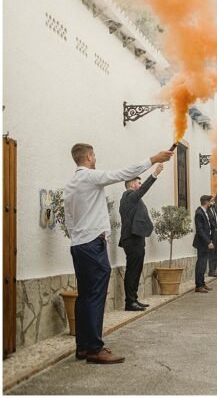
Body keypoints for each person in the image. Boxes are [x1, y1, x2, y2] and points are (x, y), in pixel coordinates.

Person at [65, 143, 172, 364]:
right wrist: (152, 159)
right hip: (92, 245)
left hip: (78, 245)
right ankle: (95, 348)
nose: (96, 158)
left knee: (85, 295)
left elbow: (68, 219)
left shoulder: (71, 184)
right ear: (89, 156)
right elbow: (123, 173)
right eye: (94, 155)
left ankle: (83, 347)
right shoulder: (89, 176)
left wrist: (80, 235)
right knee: (95, 296)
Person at [118, 163, 163, 312]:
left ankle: (134, 300)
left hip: (136, 238)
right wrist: (154, 174)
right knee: (133, 270)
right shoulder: (129, 195)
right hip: (132, 239)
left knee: (136, 270)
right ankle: (130, 302)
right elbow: (143, 190)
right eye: (138, 182)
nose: (140, 184)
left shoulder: (131, 198)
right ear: (131, 184)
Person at [192, 195, 216, 293]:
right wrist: (208, 242)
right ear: (206, 202)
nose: (212, 203)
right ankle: (198, 286)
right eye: (211, 201)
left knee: (203, 264)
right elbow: (200, 230)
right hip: (202, 243)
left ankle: (202, 283)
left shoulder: (205, 212)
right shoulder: (199, 213)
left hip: (206, 241)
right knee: (201, 264)